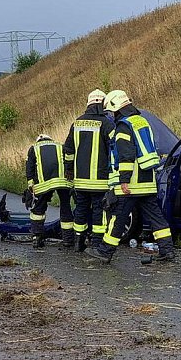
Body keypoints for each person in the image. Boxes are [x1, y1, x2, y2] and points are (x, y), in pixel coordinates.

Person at [87, 90, 175, 263]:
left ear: (115, 107)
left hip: (131, 184)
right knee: (156, 218)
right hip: (147, 182)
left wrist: (124, 180)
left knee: (117, 218)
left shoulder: (123, 126)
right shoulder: (142, 121)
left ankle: (105, 252)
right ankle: (167, 250)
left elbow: (126, 155)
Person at [63, 89, 115, 252]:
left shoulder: (76, 123)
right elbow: (114, 150)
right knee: (99, 211)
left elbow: (68, 150)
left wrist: (69, 169)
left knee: (81, 210)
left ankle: (79, 241)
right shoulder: (107, 124)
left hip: (80, 180)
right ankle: (96, 243)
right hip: (100, 180)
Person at [25, 134, 73, 249]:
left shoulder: (34, 148)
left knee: (39, 209)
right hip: (63, 181)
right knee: (66, 207)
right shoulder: (60, 146)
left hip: (43, 184)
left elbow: (30, 168)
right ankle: (68, 239)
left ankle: (37, 236)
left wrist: (31, 185)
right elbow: (68, 161)